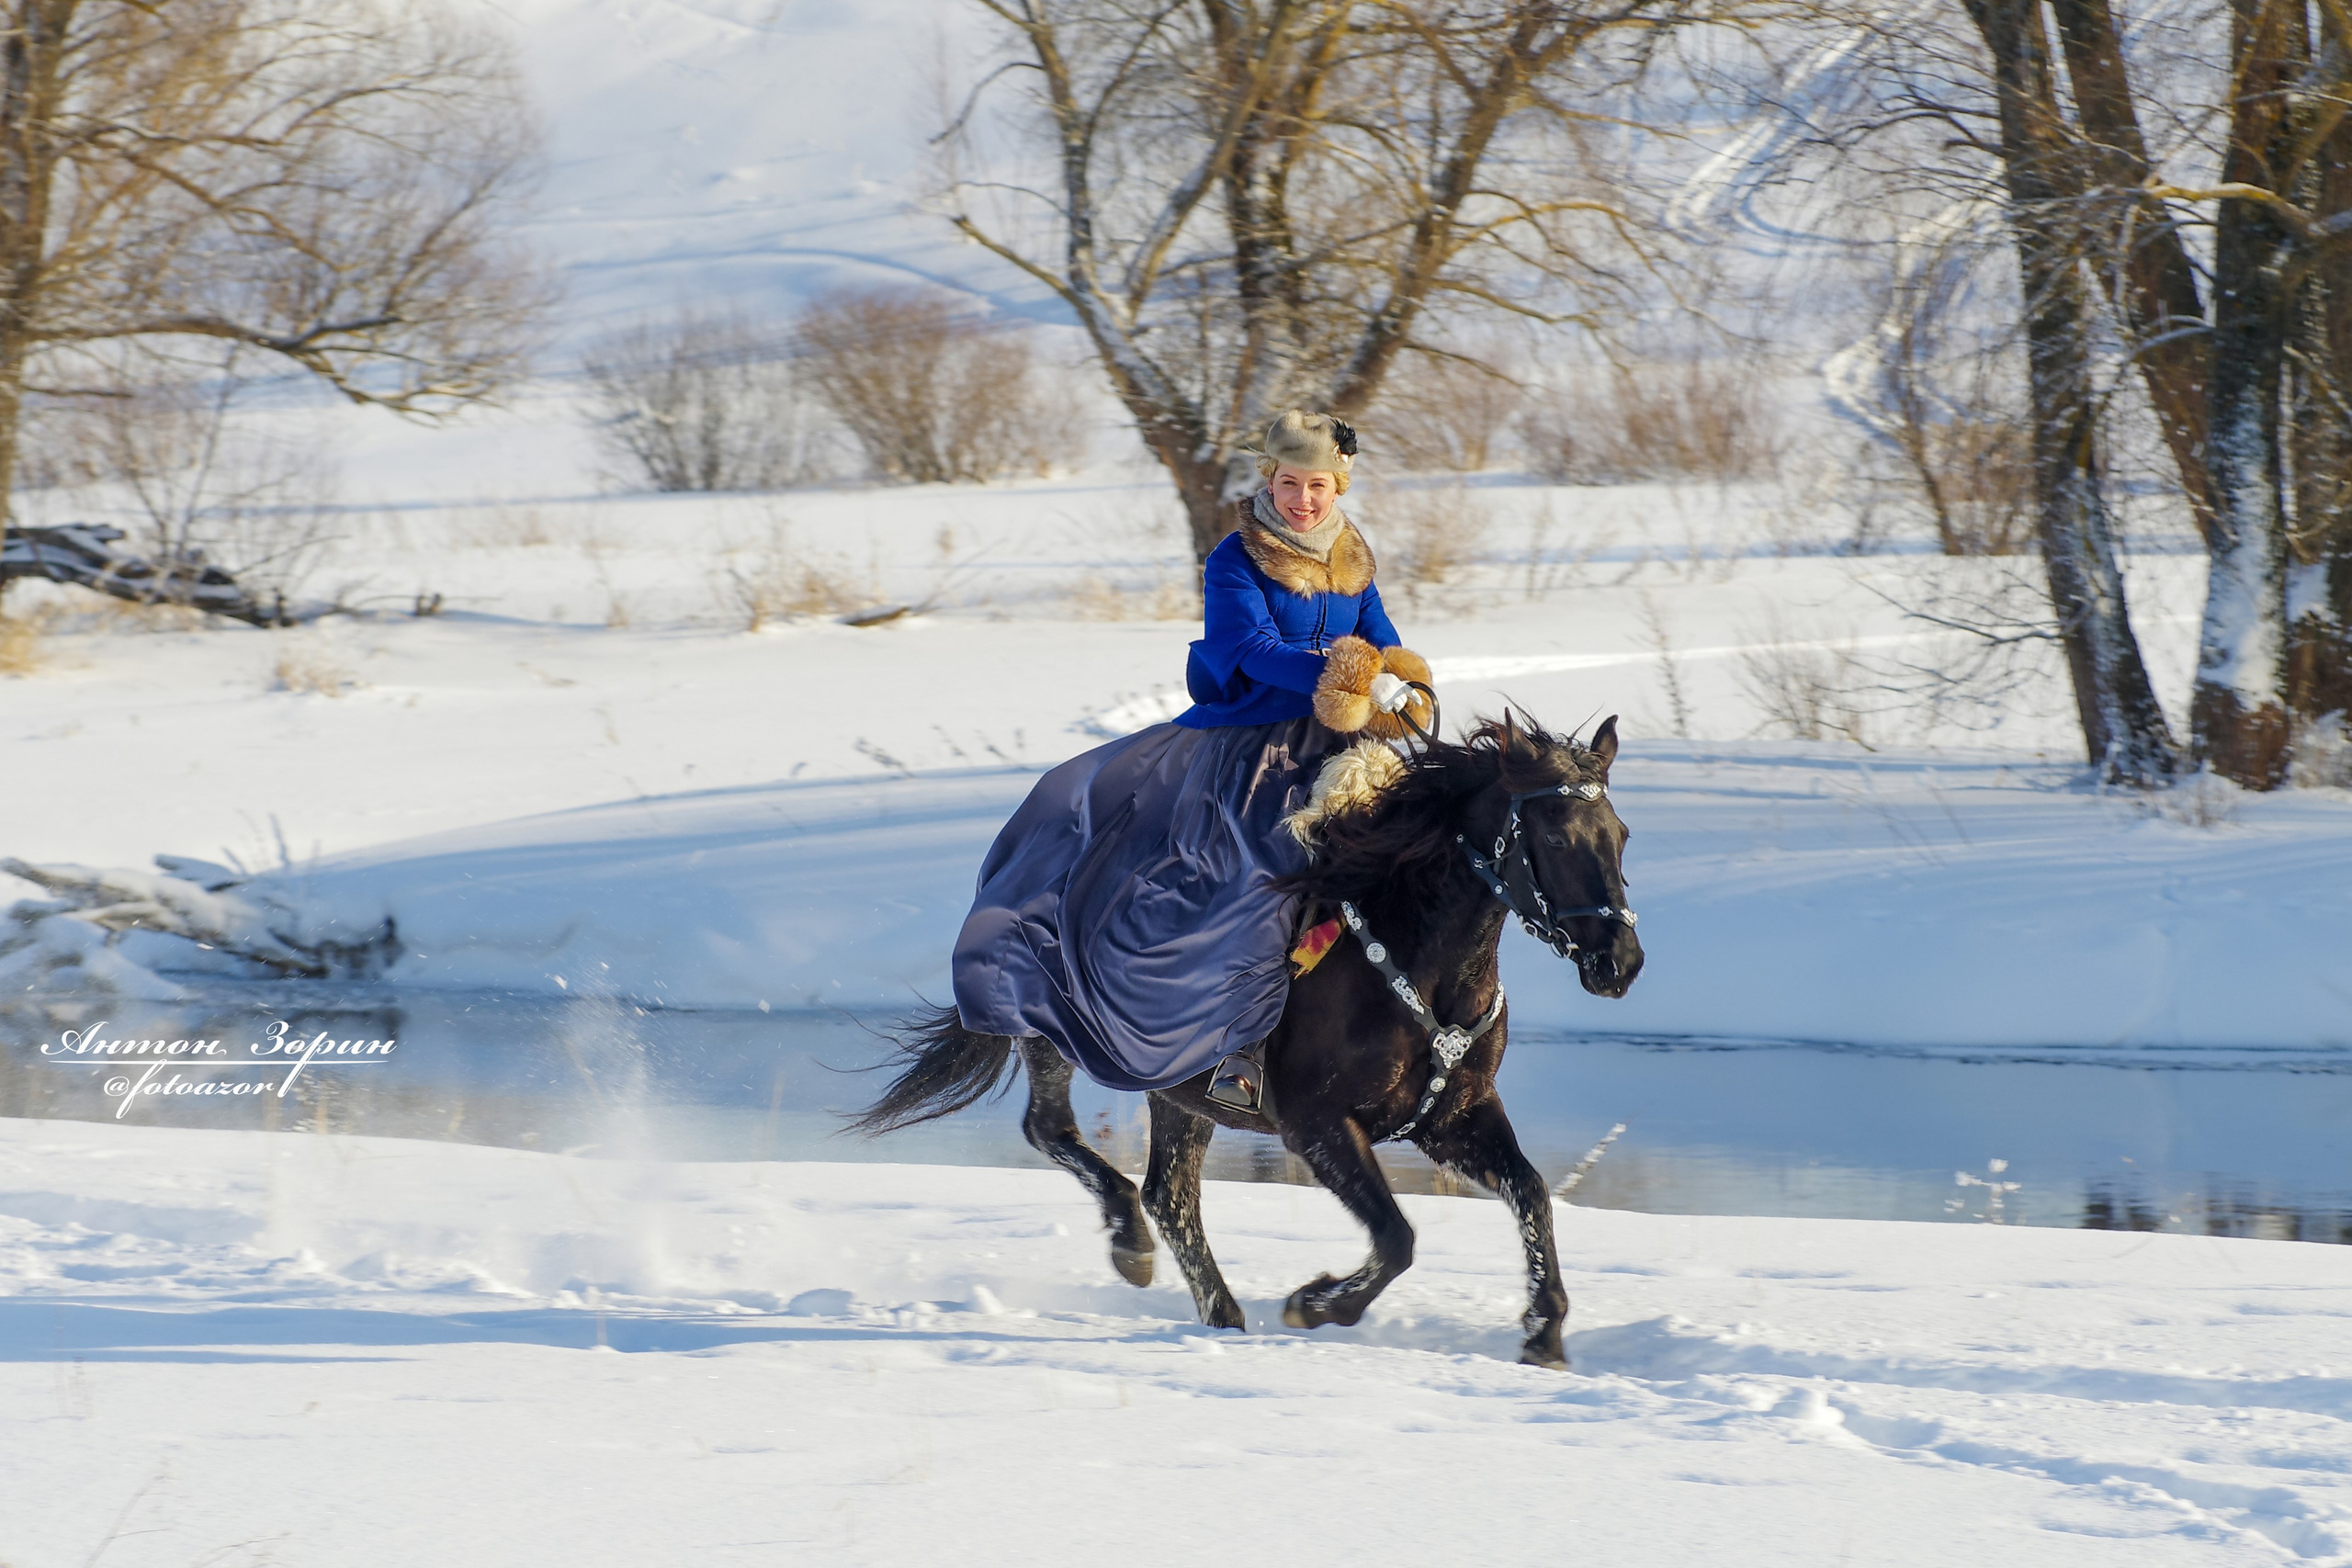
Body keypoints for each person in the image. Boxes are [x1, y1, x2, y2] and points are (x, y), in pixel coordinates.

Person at [949, 410, 1432, 1113]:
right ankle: (1240, 1045)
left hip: (1340, 740)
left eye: (1317, 485)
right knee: (1266, 875)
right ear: (1270, 478)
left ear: (1338, 486)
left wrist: (1401, 680)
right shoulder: (1236, 557)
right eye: (1289, 482)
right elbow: (1250, 650)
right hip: (1254, 748)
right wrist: (1345, 676)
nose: (1302, 499)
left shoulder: (1352, 557)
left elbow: (1381, 635)